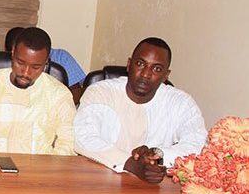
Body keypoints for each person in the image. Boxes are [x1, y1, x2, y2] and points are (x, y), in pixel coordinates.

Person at [74, 37, 206, 184]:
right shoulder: (100, 92)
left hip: (152, 186)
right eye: (140, 64)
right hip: (99, 181)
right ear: (129, 65)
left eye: (156, 69)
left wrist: (157, 156)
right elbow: (83, 137)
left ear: (166, 75)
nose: (145, 74)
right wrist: (131, 164)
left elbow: (197, 143)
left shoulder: (181, 103)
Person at [6, 26, 86, 104]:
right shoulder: (1, 72)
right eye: (20, 62)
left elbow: (77, 91)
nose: (26, 72)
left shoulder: (61, 57)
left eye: (35, 67)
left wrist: (56, 104)